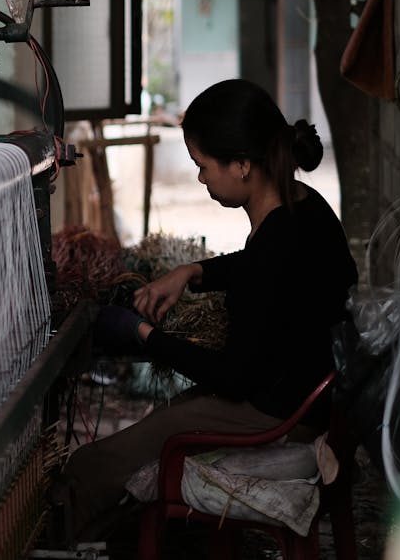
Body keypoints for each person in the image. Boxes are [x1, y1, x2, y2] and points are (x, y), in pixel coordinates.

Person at [53, 78, 358, 543]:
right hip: (308, 395)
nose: (200, 179)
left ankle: (65, 539)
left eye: (203, 166)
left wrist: (140, 333)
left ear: (241, 165)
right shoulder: (306, 207)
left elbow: (232, 377)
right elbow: (264, 269)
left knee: (91, 466)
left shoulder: (274, 247)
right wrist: (193, 271)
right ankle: (120, 539)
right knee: (164, 421)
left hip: (278, 416)